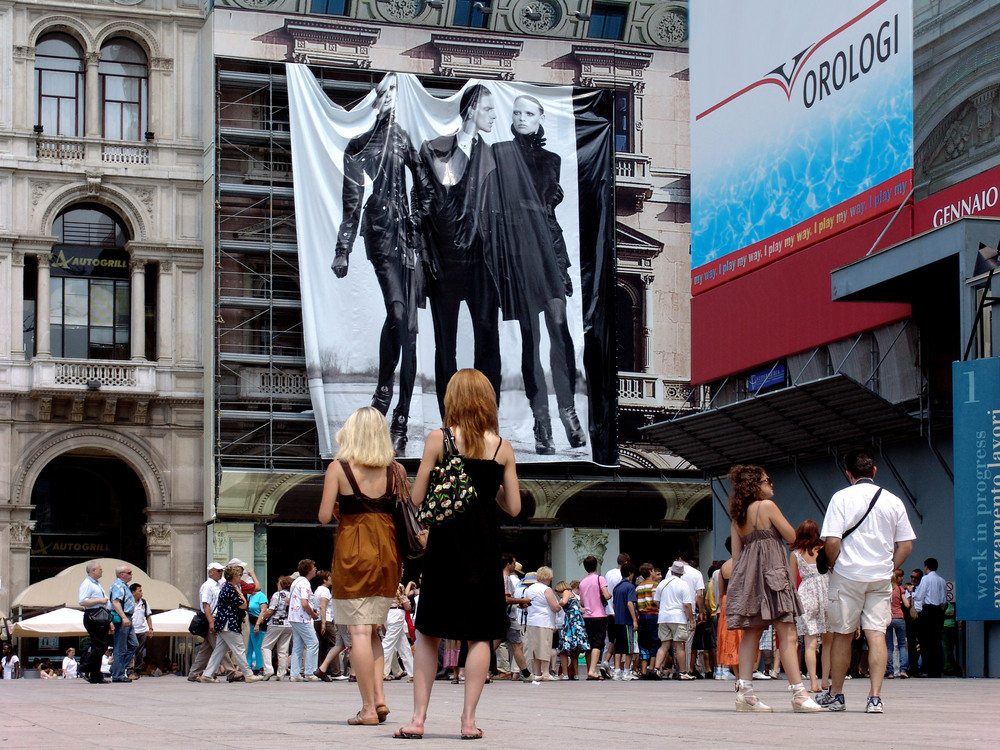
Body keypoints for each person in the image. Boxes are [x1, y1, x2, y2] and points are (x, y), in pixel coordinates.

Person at [395, 368, 520, 740]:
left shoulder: (439, 440)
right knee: (480, 635)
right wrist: (490, 489)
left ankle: (418, 720)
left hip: (446, 548)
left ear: (452, 399)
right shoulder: (502, 448)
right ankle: (468, 721)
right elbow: (512, 506)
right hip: (484, 549)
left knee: (431, 632)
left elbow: (416, 499)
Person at [333, 73, 431, 454]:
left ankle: (401, 415)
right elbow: (351, 202)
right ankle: (385, 391)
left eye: (395, 92)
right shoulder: (359, 144)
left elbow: (423, 186)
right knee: (398, 311)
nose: (390, 98)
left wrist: (419, 222)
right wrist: (343, 249)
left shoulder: (405, 139)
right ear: (374, 100)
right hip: (379, 235)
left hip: (409, 240)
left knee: (409, 328)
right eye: (384, 92)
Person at [487, 94, 585, 453]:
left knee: (560, 329)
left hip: (547, 249)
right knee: (531, 341)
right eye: (516, 112)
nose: (522, 117)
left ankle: (569, 413)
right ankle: (542, 424)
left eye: (529, 112)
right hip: (516, 252)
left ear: (541, 116)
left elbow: (549, 207)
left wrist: (561, 263)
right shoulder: (499, 153)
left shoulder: (552, 159)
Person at [319, 406, 409, 724]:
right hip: (387, 552)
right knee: (374, 632)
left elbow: (322, 514)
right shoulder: (394, 470)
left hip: (352, 552)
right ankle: (381, 699)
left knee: (357, 631)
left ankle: (368, 709)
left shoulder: (339, 469)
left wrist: (343, 513)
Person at [418, 86, 502, 417]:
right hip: (445, 261)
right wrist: (427, 256)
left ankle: (488, 417)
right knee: (446, 345)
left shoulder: (495, 156)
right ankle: (448, 419)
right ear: (470, 112)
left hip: (482, 262)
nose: (495, 116)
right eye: (488, 109)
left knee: (487, 338)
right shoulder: (434, 149)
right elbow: (424, 203)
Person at [818, 447, 915, 714]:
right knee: (876, 635)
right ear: (873, 471)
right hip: (879, 578)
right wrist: (889, 568)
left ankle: (836, 695)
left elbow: (833, 540)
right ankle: (875, 697)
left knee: (842, 635)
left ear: (848, 473)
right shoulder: (894, 500)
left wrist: (835, 563)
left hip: (848, 576)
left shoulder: (841, 498)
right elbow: (906, 545)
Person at [725, 465, 821, 712]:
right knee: (787, 633)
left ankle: (745, 693)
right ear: (755, 484)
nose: (771, 484)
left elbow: (736, 557)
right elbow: (792, 537)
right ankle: (799, 693)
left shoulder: (738, 516)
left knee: (751, 633)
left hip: (749, 577)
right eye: (768, 480)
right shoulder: (766, 507)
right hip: (773, 574)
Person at [199, 565, 263, 684]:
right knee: (239, 649)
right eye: (239, 575)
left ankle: (207, 675)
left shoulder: (226, 587)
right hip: (229, 623)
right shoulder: (230, 589)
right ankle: (248, 674)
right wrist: (240, 593)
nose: (240, 577)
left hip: (223, 624)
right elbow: (244, 605)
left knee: (219, 651)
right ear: (233, 576)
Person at [789, 519, 831, 693]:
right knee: (828, 642)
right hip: (826, 592)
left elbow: (791, 580)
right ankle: (826, 680)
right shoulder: (824, 550)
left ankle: (813, 681)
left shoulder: (795, 554)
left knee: (810, 642)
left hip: (805, 594)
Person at [652, 561, 695, 680]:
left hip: (663, 617)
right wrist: (691, 620)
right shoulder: (683, 585)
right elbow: (687, 604)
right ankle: (682, 672)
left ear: (671, 571)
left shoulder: (662, 584)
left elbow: (656, 601)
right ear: (681, 573)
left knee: (664, 644)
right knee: (679, 645)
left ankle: (656, 668)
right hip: (678, 617)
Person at [524, 566, 566, 682]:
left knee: (535, 648)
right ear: (548, 577)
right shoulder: (546, 589)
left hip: (532, 621)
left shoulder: (530, 589)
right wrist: (563, 602)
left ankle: (537, 672)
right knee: (545, 647)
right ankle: (546, 672)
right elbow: (555, 607)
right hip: (545, 621)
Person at [188, 562, 225, 681]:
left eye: (221, 571)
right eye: (218, 571)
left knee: (207, 649)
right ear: (211, 572)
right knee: (220, 646)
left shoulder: (217, 585)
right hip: (211, 618)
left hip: (215, 618)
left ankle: (194, 672)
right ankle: (231, 671)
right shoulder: (208, 586)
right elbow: (206, 605)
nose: (221, 573)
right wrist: (211, 622)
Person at [286, 560, 321, 683]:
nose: (315, 569)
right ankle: (310, 672)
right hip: (302, 617)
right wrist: (314, 614)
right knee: (313, 643)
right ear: (309, 570)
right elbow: (305, 603)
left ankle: (295, 673)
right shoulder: (305, 583)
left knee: (298, 645)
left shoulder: (296, 581)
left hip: (293, 616)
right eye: (314, 567)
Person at [78, 560, 112, 684]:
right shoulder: (87, 584)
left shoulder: (96, 584)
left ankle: (96, 676)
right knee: (101, 645)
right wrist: (100, 600)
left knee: (98, 646)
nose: (102, 571)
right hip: (93, 616)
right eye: (100, 569)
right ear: (93, 571)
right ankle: (84, 667)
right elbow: (82, 601)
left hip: (100, 616)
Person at [912, 557, 947, 677]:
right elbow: (943, 600)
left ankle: (926, 669)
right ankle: (937, 669)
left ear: (926, 567)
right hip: (938, 611)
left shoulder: (926, 579)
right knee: (936, 641)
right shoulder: (942, 580)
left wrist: (912, 592)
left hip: (927, 609)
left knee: (925, 640)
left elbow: (919, 596)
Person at [578, 554, 611, 680]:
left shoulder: (582, 582)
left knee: (589, 644)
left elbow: (582, 602)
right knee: (598, 643)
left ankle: (589, 670)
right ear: (596, 565)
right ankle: (592, 670)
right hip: (599, 615)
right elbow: (606, 595)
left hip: (587, 616)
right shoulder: (600, 579)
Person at [258, 575, 293, 680]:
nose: (277, 585)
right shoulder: (292, 595)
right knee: (283, 649)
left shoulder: (277, 595)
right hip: (288, 624)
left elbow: (271, 609)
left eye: (278, 583)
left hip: (275, 623)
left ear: (282, 584)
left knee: (266, 646)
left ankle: (268, 670)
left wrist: (263, 618)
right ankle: (281, 673)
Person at [555, 579, 588, 680]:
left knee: (563, 649)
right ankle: (576, 673)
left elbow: (564, 602)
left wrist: (556, 604)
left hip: (570, 623)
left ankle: (565, 673)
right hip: (577, 622)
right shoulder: (573, 595)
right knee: (574, 650)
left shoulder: (566, 592)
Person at [611, 562, 638, 680]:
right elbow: (630, 603)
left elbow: (614, 604)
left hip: (617, 620)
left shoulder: (616, 587)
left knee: (618, 647)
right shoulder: (630, 587)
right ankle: (627, 670)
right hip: (627, 621)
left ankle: (617, 670)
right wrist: (634, 620)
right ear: (630, 574)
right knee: (629, 647)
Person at [382, 584, 415, 682]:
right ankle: (375, 670)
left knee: (403, 645)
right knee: (388, 643)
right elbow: (406, 605)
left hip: (386, 614)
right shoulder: (398, 585)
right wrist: (409, 605)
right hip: (396, 613)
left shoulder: (383, 583)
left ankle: (413, 673)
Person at [634, 563, 661, 678]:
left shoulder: (639, 587)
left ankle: (643, 670)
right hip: (653, 615)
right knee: (655, 641)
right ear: (650, 571)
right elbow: (656, 600)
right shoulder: (655, 585)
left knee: (643, 643)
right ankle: (652, 668)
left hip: (642, 616)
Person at [311, 570, 336, 680]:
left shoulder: (317, 590)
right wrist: (324, 623)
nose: (331, 579)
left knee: (323, 646)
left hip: (318, 620)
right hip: (326, 619)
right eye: (329, 577)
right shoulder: (325, 591)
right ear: (324, 580)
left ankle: (322, 668)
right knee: (335, 644)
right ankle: (336, 671)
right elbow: (323, 606)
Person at [885, 569, 909, 679]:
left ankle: (890, 672)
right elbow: (907, 604)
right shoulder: (900, 589)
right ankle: (903, 670)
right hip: (899, 617)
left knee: (889, 647)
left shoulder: (886, 590)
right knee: (902, 645)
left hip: (888, 618)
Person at [128, 581, 152, 680]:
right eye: (139, 591)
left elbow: (148, 616)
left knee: (140, 652)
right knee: (130, 651)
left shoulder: (144, 603)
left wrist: (150, 628)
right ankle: (129, 670)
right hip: (131, 630)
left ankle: (137, 671)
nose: (141, 593)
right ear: (133, 592)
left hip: (142, 630)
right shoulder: (128, 602)